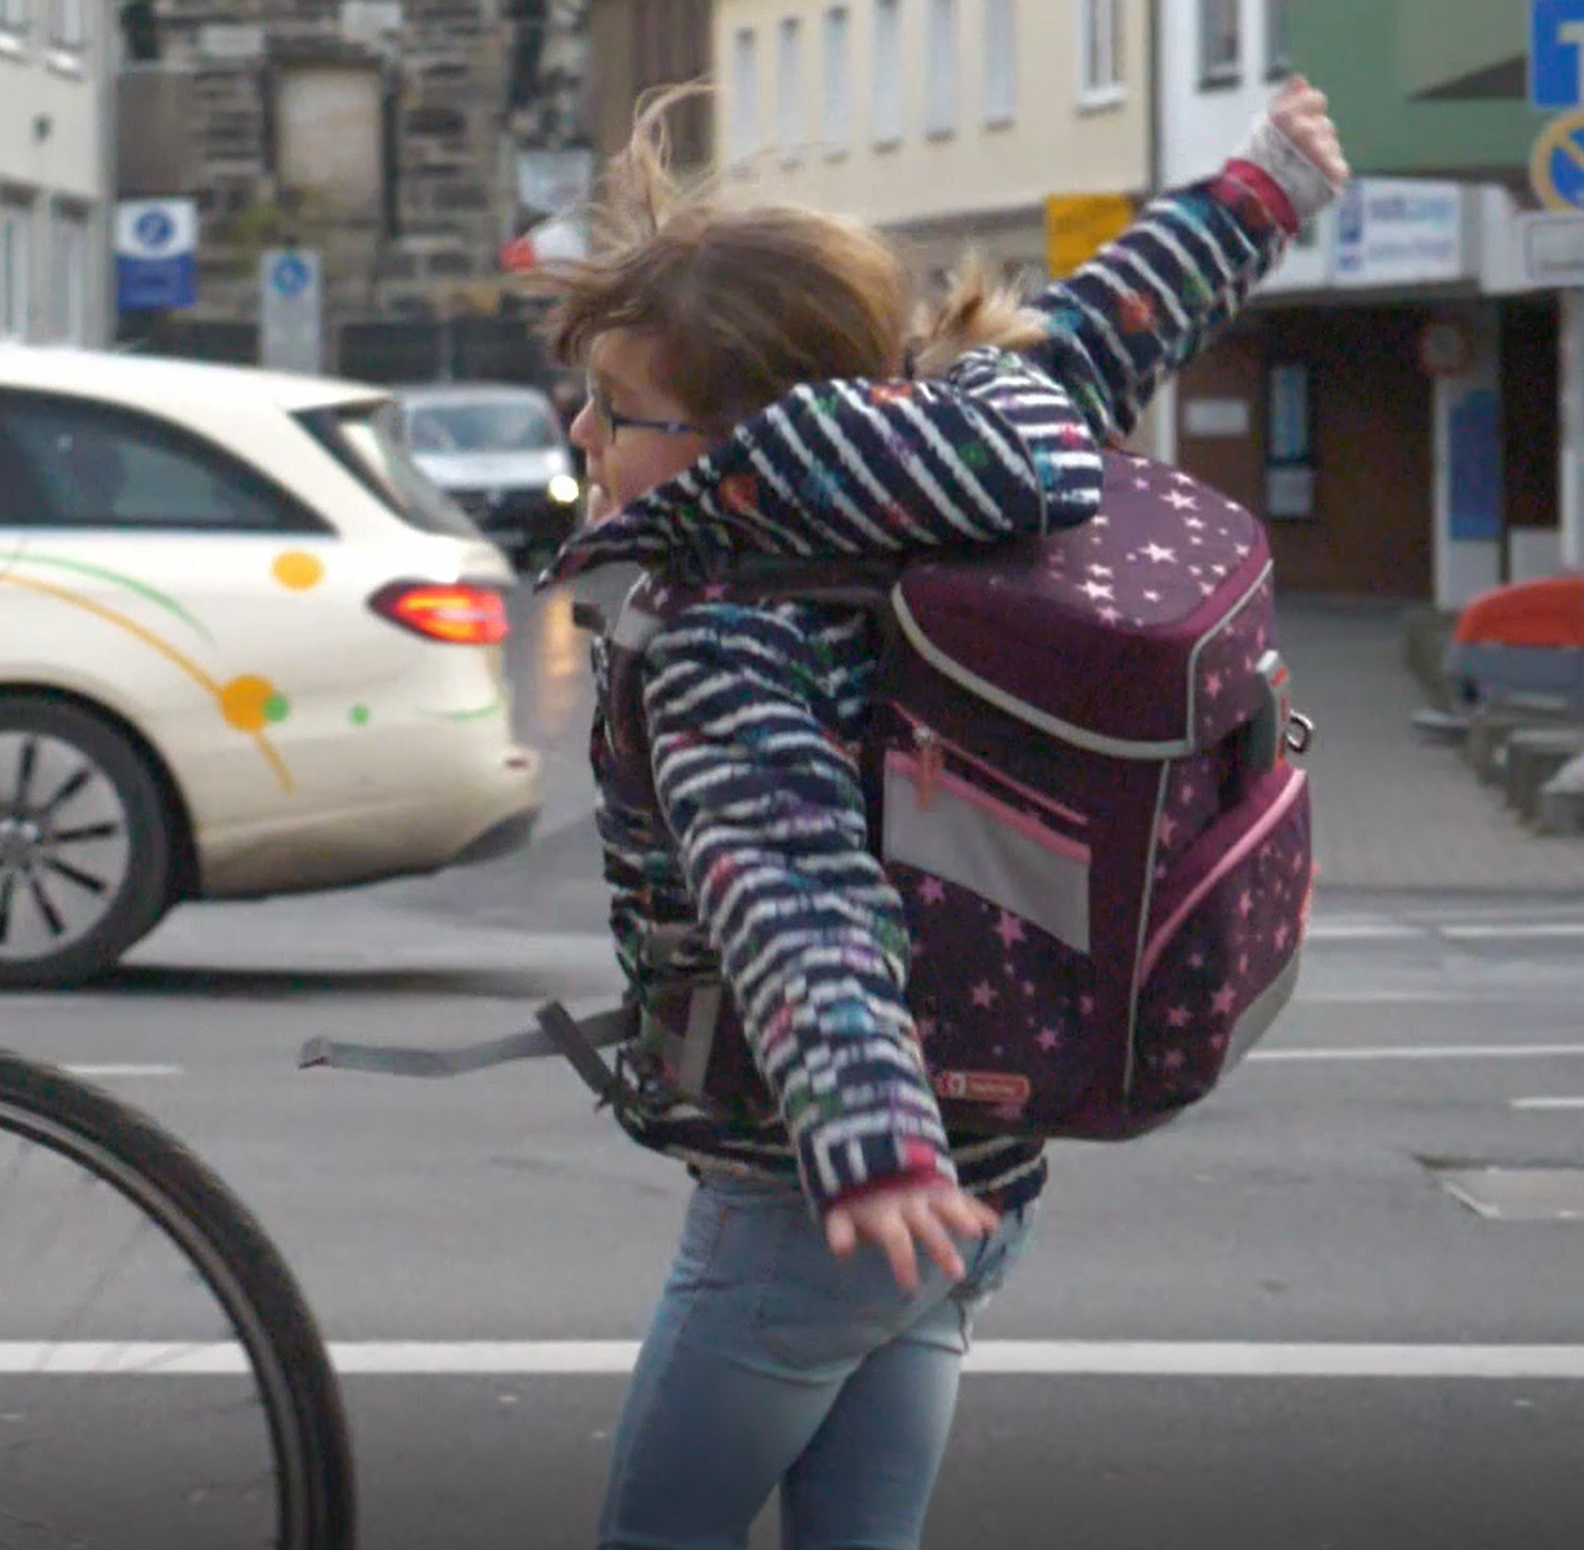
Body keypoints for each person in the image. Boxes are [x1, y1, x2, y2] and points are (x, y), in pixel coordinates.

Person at [528, 77, 1349, 1549]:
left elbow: (789, 884)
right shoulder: (960, 442)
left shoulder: (728, 625)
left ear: (738, 437)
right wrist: (1260, 188)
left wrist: (864, 1129)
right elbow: (1104, 326)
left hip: (819, 1191)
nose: (583, 434)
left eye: (615, 411)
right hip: (973, 1180)